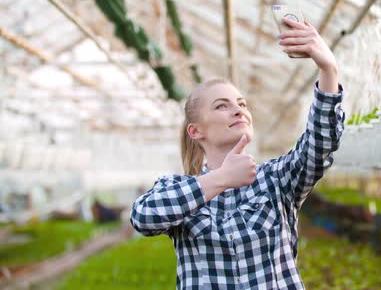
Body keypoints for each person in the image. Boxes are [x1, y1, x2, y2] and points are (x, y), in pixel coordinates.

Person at [130, 17, 345, 289]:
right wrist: (221, 179)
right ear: (195, 131)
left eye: (242, 104)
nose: (238, 110)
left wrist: (328, 69)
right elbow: (143, 218)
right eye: (221, 106)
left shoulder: (275, 180)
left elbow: (320, 144)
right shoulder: (176, 188)